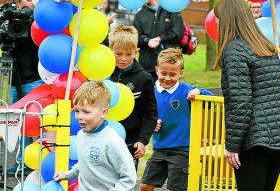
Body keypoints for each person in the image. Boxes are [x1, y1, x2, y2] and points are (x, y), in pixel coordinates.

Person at [214, 0, 280, 191]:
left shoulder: (234, 50)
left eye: (219, 18)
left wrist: (232, 145)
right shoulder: (264, 45)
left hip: (255, 138)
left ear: (227, 20)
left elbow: (241, 102)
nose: (217, 23)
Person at [139, 48, 213, 191]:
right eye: (163, 73)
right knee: (145, 185)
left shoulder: (186, 91)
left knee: (173, 188)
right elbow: (146, 116)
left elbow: (210, 98)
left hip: (182, 150)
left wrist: (198, 92)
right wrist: (151, 125)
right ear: (156, 70)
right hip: (160, 148)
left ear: (181, 73)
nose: (167, 78)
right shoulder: (151, 92)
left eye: (173, 74)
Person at [53, 81, 136, 190]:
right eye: (77, 111)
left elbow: (129, 178)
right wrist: (67, 174)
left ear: (104, 113)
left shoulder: (112, 141)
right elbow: (85, 163)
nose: (79, 117)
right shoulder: (81, 135)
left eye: (86, 112)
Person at [1, 0, 44, 175]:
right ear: (18, 4)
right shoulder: (9, 22)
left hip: (33, 80)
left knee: (32, 123)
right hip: (11, 81)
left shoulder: (39, 24)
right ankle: (15, 163)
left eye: (33, 1)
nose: (30, 3)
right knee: (13, 122)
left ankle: (30, 162)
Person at [109, 25, 157, 170]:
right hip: (102, 142)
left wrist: (142, 141)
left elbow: (150, 115)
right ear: (110, 50)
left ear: (136, 51)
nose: (123, 59)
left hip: (130, 145)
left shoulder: (144, 78)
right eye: (118, 53)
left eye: (129, 54)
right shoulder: (101, 74)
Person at [134, 0, 184, 81]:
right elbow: (135, 36)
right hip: (147, 64)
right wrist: (147, 41)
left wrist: (160, 38)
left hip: (170, 64)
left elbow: (178, 32)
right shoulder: (140, 14)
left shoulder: (172, 10)